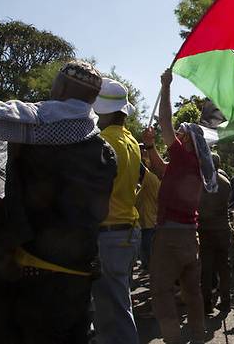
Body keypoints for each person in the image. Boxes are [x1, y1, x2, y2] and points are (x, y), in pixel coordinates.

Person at [0, 60, 117, 344]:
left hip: (33, 280)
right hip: (80, 278)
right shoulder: (106, 152)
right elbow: (101, 211)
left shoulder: (32, 128)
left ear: (59, 87)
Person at [144, 68, 217, 344]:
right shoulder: (192, 164)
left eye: (182, 134)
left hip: (171, 236)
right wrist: (150, 148)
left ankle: (173, 340)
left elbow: (164, 122)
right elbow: (163, 172)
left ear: (189, 141)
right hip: (189, 236)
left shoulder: (184, 156)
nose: (178, 136)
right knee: (192, 291)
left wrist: (166, 87)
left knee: (161, 290)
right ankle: (198, 337)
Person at [91, 77, 142, 344]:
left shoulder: (103, 141)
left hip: (110, 234)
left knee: (114, 312)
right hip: (126, 232)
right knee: (118, 305)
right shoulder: (131, 140)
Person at [198, 153, 232, 314]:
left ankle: (206, 303)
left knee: (207, 268)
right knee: (223, 267)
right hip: (223, 229)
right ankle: (226, 301)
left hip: (207, 230)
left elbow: (200, 207)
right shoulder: (225, 182)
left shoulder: (204, 183)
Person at [135, 150, 160, 272]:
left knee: (147, 247)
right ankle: (146, 266)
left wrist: (133, 154)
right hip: (144, 222)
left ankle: (151, 268)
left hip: (149, 222)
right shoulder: (143, 185)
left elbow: (141, 169)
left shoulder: (152, 179)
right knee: (144, 248)